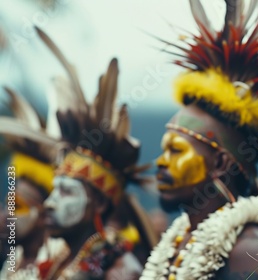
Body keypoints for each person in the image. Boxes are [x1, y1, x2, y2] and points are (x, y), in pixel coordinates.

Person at [140, 0, 258, 279]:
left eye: (175, 150)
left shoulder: (251, 251)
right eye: (163, 151)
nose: (161, 163)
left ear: (220, 162)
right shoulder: (177, 243)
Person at [33, 27, 156, 279]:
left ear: (99, 202)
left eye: (66, 192)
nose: (49, 203)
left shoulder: (120, 270)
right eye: (54, 190)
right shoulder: (59, 261)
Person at [0, 88, 67, 280]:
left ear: (43, 215)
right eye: (8, 205)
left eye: (17, 206)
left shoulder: (61, 263)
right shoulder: (12, 262)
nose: (7, 214)